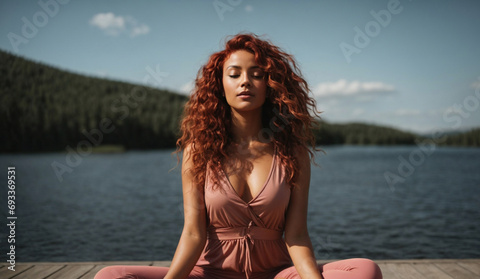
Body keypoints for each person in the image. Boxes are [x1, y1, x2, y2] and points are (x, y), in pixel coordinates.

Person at [95, 33, 383, 279]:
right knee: (110, 276)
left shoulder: (292, 153)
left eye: (257, 75)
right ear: (220, 84)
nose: (245, 81)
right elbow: (194, 234)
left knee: (364, 270)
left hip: (276, 273)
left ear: (270, 85)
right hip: (211, 273)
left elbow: (296, 236)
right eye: (234, 74)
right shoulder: (199, 151)